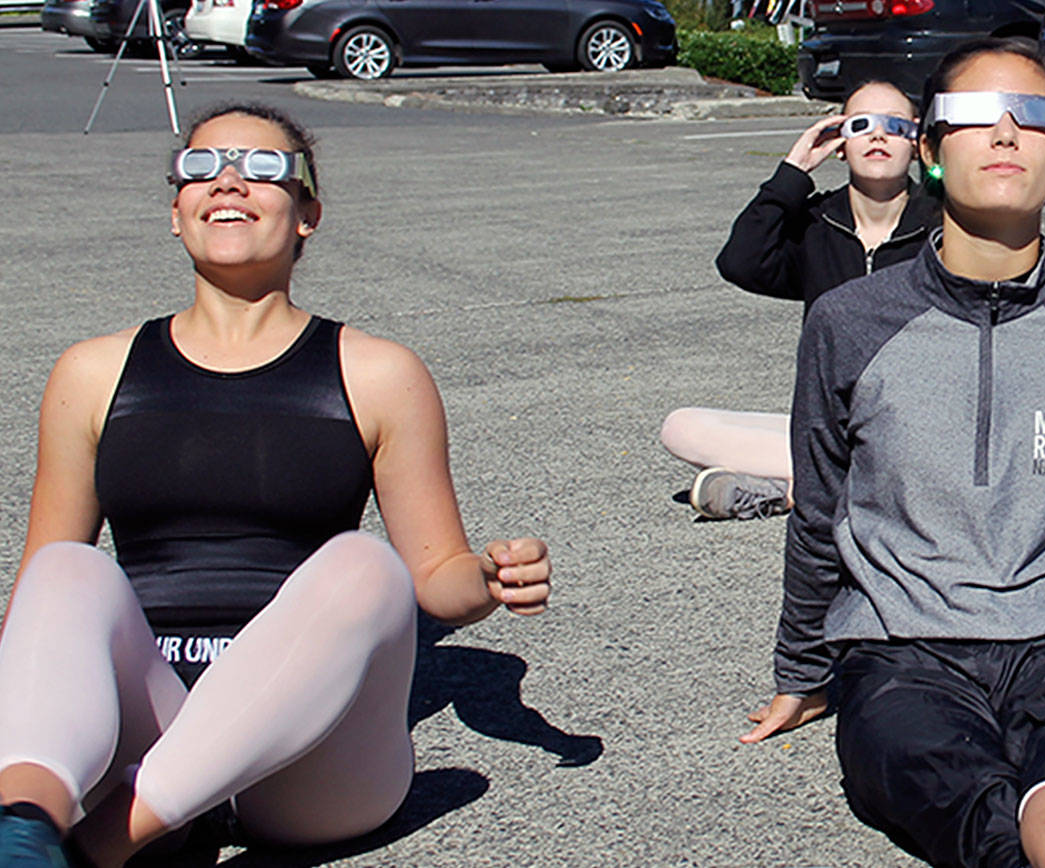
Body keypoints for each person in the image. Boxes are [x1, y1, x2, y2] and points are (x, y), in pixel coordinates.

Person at [0, 103, 551, 868]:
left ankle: (103, 843)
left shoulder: (378, 373)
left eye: (262, 168)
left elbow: (436, 582)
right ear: (175, 211)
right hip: (146, 721)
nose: (228, 181)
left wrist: (491, 579)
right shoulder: (91, 372)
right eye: (201, 167)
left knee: (367, 567)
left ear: (307, 214)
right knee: (62, 569)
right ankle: (23, 825)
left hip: (309, 767)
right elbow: (43, 604)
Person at [743, 40, 1045, 867]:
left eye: (1036, 115)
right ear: (930, 152)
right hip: (901, 650)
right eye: (973, 115)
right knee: (956, 799)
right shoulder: (849, 319)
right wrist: (801, 667)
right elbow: (821, 503)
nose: (1006, 131)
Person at [659, 79, 940, 520]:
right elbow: (740, 262)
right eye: (861, 123)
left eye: (895, 125)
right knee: (680, 428)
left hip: (919, 427)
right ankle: (828, 487)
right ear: (840, 142)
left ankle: (792, 491)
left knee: (911, 451)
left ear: (917, 142)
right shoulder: (815, 223)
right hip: (829, 429)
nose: (879, 135)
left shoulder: (943, 228)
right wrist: (794, 170)